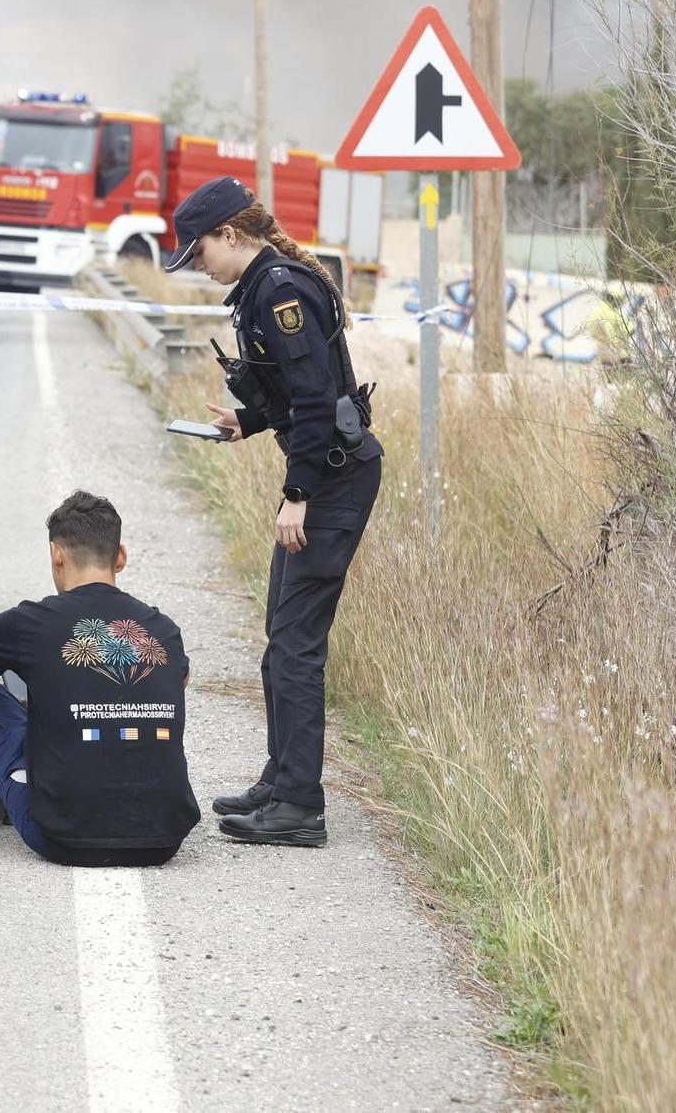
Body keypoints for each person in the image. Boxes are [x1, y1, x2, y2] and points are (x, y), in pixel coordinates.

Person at [168, 175, 384, 849]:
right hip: (325, 474)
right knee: (279, 636)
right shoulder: (262, 286)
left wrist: (297, 495)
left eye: (200, 252)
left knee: (296, 645)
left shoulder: (280, 291)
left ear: (230, 233)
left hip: (332, 481)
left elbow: (318, 401)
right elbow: (297, 394)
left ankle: (299, 806)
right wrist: (250, 419)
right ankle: (280, 778)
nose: (199, 266)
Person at [0, 491, 200, 865]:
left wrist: (26, 732)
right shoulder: (163, 629)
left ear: (57, 555)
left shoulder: (28, 622)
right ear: (120, 557)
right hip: (163, 838)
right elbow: (174, 686)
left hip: (63, 836)